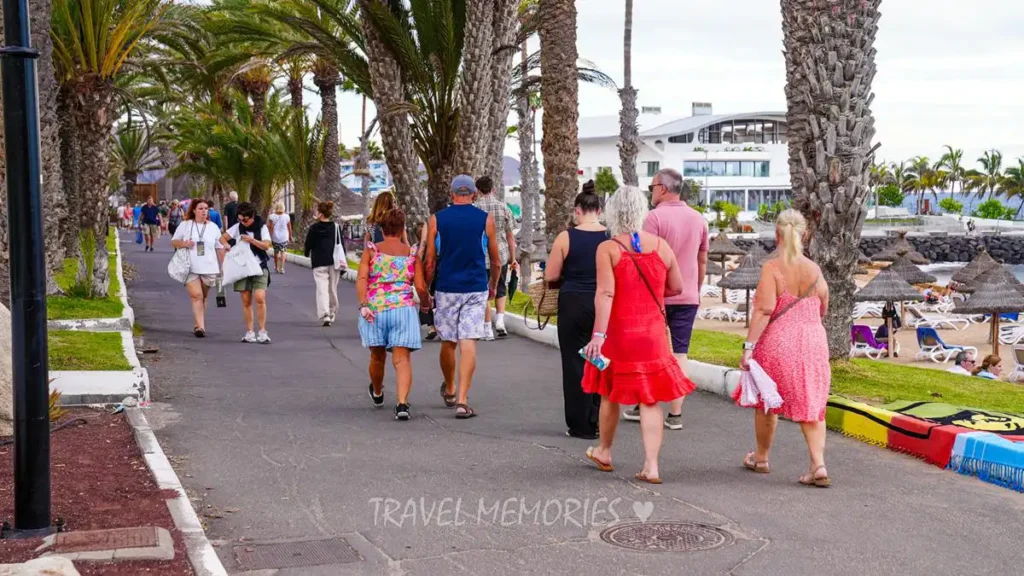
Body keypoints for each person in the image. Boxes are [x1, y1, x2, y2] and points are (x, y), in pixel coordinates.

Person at [581, 185, 694, 483]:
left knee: (609, 393)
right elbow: (677, 287)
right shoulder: (660, 246)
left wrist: (598, 336)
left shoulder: (608, 248)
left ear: (613, 212)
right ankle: (651, 466)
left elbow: (605, 293)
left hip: (619, 334)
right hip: (653, 334)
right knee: (650, 399)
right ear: (642, 211)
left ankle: (604, 451)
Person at [734, 209, 832, 488]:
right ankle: (818, 464)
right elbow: (823, 305)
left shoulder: (772, 268)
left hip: (779, 341)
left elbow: (764, 310)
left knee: (768, 401)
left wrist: (748, 347)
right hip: (813, 341)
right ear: (804, 236)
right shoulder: (815, 270)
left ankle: (762, 458)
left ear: (776, 235)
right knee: (812, 403)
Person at [622, 168, 708, 431]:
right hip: (688, 296)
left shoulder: (654, 219)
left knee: (649, 352)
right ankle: (676, 414)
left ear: (662, 188)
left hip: (655, 296)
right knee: (680, 353)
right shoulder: (699, 219)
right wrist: (695, 286)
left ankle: (643, 403)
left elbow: (644, 257)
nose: (651, 192)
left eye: (651, 187)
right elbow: (702, 259)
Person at [424, 175, 500, 419]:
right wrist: (493, 284)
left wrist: (426, 288)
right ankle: (463, 401)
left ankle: (449, 389)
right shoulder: (485, 220)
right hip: (475, 287)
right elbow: (496, 259)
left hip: (446, 287)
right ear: (474, 195)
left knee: (448, 341)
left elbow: (430, 260)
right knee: (469, 341)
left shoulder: (437, 220)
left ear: (451, 193)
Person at [544, 182, 607, 439]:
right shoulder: (610, 237)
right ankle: (599, 416)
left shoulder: (566, 237)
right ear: (600, 210)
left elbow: (551, 275)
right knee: (601, 360)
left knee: (574, 362)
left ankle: (580, 424)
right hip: (604, 304)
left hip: (573, 303)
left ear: (577, 211)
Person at [357, 209, 431, 420]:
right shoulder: (411, 253)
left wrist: (363, 304)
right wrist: (426, 304)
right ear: (402, 229)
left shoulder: (371, 251)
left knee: (377, 356)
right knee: (402, 359)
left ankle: (378, 392)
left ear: (382, 229)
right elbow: (419, 286)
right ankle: (402, 404)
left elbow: (362, 279)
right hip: (402, 310)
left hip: (375, 309)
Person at [171, 198, 225, 337]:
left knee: (204, 297)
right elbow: (174, 242)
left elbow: (219, 248)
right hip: (190, 267)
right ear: (194, 210)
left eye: (206, 208)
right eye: (200, 208)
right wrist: (184, 243)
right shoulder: (186, 225)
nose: (204, 211)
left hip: (210, 267)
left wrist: (224, 266)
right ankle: (200, 327)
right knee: (197, 296)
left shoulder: (213, 227)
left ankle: (198, 322)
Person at [221, 202, 272, 344]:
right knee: (246, 300)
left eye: (245, 219)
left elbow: (267, 245)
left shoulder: (262, 227)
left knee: (260, 297)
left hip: (259, 266)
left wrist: (252, 240)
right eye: (240, 219)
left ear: (252, 217)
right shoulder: (238, 227)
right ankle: (250, 332)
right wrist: (226, 244)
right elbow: (223, 237)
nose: (242, 222)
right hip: (242, 268)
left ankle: (262, 331)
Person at [473, 176, 517, 339]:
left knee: (483, 290)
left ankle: (487, 328)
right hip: (502, 253)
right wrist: (513, 258)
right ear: (493, 189)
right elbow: (510, 236)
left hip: (481, 255)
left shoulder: (475, 208)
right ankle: (500, 322)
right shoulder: (503, 207)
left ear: (477, 191)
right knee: (500, 287)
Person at [304, 201, 343, 326]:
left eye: (316, 211)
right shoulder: (336, 227)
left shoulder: (314, 228)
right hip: (334, 262)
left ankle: (325, 314)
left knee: (322, 289)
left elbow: (308, 244)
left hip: (319, 262)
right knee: (332, 288)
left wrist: (306, 253)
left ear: (320, 214)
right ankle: (332, 312)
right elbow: (341, 245)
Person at [268, 201, 293, 274]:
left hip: (275, 237)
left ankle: (276, 267)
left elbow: (271, 227)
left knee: (276, 252)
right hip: (284, 237)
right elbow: (289, 228)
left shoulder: (272, 216)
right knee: (283, 251)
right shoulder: (287, 216)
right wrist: (290, 236)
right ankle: (282, 268)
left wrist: (270, 236)